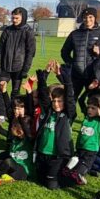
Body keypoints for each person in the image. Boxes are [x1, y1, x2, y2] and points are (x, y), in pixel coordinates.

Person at [34, 60, 76, 190]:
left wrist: (62, 75)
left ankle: (74, 176)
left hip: (58, 156)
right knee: (39, 179)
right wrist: (45, 74)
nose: (56, 104)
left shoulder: (68, 114)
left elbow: (70, 96)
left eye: (60, 101)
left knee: (51, 185)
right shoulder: (48, 111)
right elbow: (43, 93)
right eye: (54, 101)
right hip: (43, 153)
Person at [60, 7, 100, 102]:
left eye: (90, 17)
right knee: (70, 101)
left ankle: (89, 113)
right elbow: (64, 52)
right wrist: (72, 64)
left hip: (94, 75)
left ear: (95, 18)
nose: (87, 19)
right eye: (85, 17)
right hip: (76, 75)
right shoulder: (74, 34)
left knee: (93, 102)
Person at [0, 7, 36, 119]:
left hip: (19, 67)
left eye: (17, 18)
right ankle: (2, 115)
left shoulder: (28, 32)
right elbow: (0, 50)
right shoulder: (7, 30)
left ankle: (13, 114)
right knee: (0, 89)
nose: (14, 20)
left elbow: (30, 52)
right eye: (13, 18)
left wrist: (25, 69)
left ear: (23, 18)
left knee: (15, 92)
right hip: (5, 66)